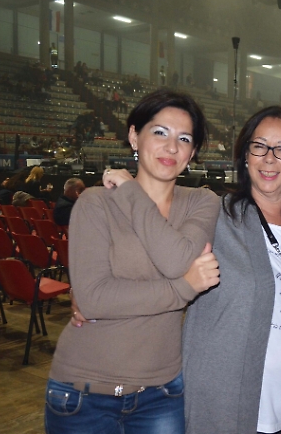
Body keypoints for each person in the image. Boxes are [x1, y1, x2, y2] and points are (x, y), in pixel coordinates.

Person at [45, 89, 221, 434]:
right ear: (134, 136)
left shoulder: (202, 202)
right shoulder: (95, 203)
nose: (172, 147)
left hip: (162, 393)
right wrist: (184, 288)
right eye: (160, 132)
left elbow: (175, 261)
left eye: (184, 138)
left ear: (193, 152)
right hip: (83, 393)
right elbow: (94, 299)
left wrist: (130, 192)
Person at [183, 106, 281, 434]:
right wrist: (127, 188)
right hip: (232, 408)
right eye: (259, 146)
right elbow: (155, 235)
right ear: (245, 155)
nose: (269, 158)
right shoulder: (216, 215)